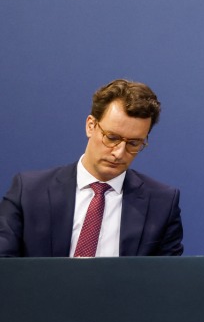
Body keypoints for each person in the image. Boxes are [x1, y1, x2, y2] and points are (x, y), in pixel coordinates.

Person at [0, 79, 183, 257]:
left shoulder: (162, 204)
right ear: (91, 126)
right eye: (111, 138)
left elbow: (167, 281)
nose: (119, 153)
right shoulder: (29, 192)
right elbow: (5, 269)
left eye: (134, 143)